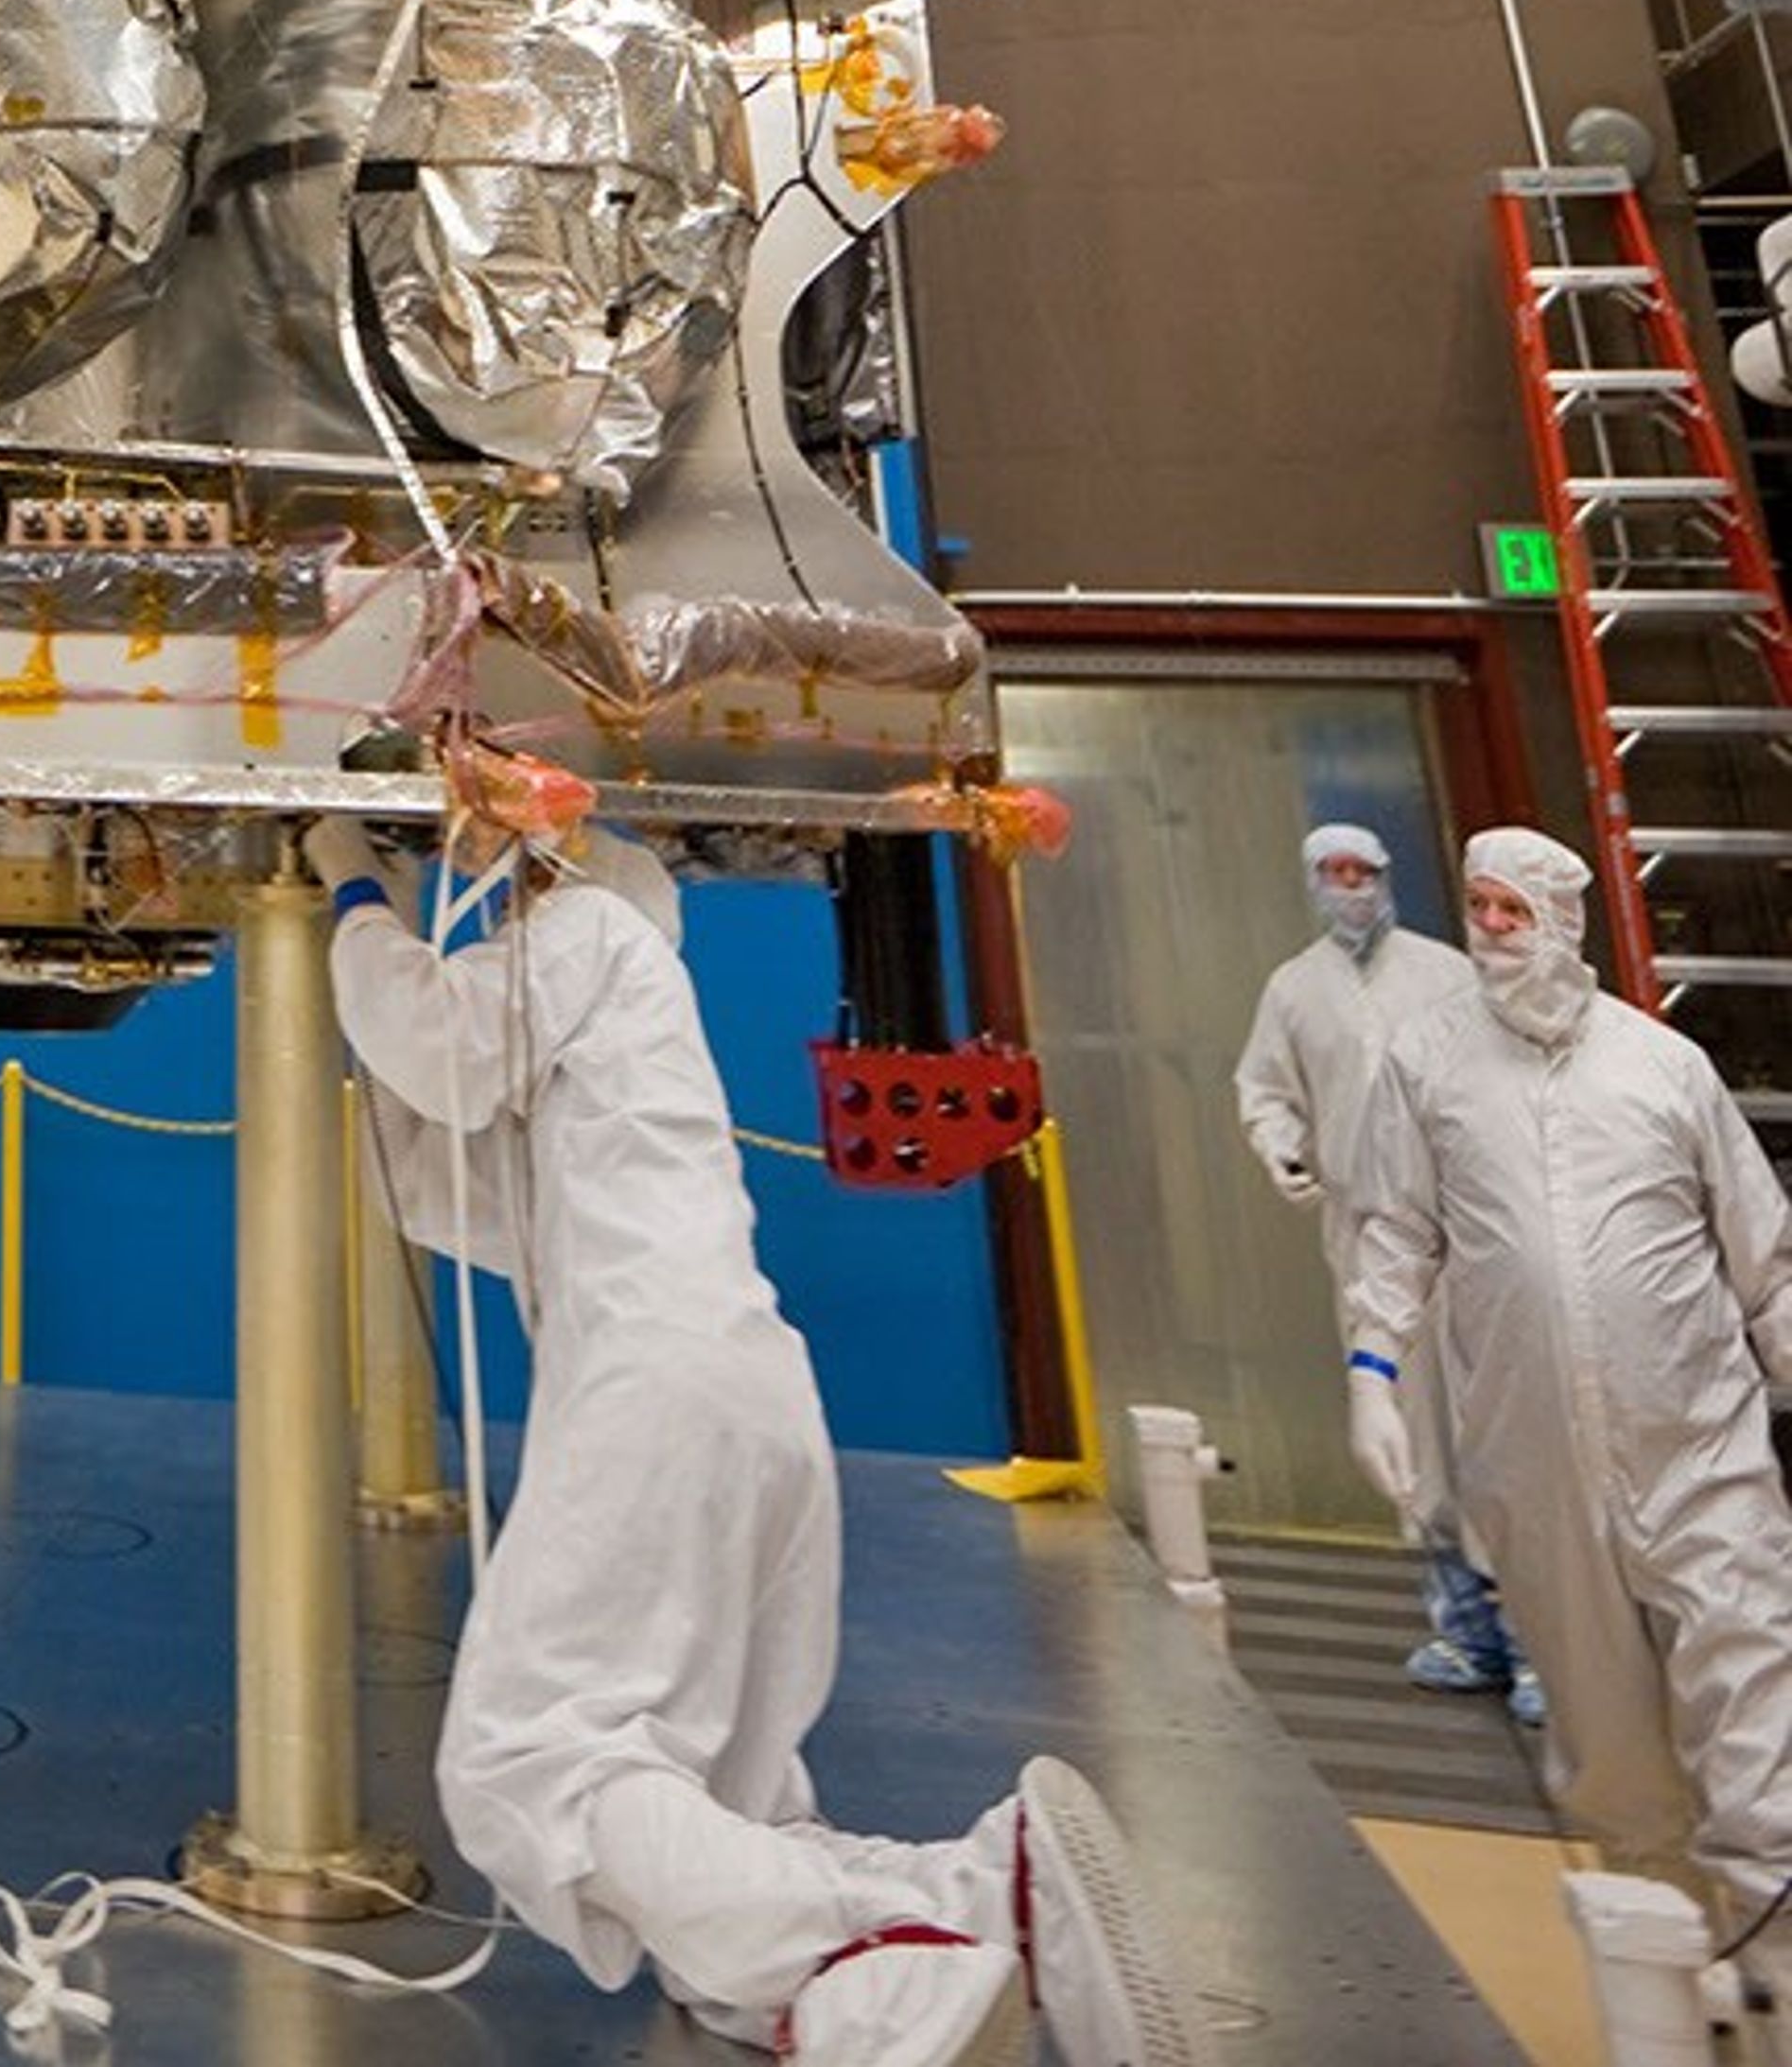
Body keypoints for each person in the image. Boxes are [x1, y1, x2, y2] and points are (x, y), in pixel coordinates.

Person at [310, 764, 1198, 2067]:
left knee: (530, 1760)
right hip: (746, 1402)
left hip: (657, 1393)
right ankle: (973, 1901)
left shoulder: (593, 932)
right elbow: (443, 1187)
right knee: (728, 1791)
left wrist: (350, 891)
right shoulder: (618, 1055)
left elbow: (439, 1042)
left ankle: (888, 1952)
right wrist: (371, 965)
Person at [1344, 824, 1792, 1978]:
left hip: (1695, 1438)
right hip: (1532, 1455)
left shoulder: (1661, 1064)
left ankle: (1780, 1935)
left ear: (1563, 919)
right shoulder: (1429, 1061)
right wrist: (1371, 1372)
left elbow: (1766, 1257)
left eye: (1512, 910)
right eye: (1479, 907)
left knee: (1748, 1667)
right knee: (1601, 1717)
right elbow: (1395, 1230)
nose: (1491, 930)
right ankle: (1679, 1952)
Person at [1233, 817, 1537, 1714]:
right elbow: (1264, 1089)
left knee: (1494, 1429)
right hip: (1364, 1234)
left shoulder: (1446, 973)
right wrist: (1284, 1148)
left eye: (1364, 871)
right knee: (1407, 1444)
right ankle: (1467, 1630)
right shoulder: (1294, 990)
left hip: (1466, 1231)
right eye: (1333, 872)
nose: (1351, 887)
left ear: (1388, 877)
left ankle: (1538, 1642)